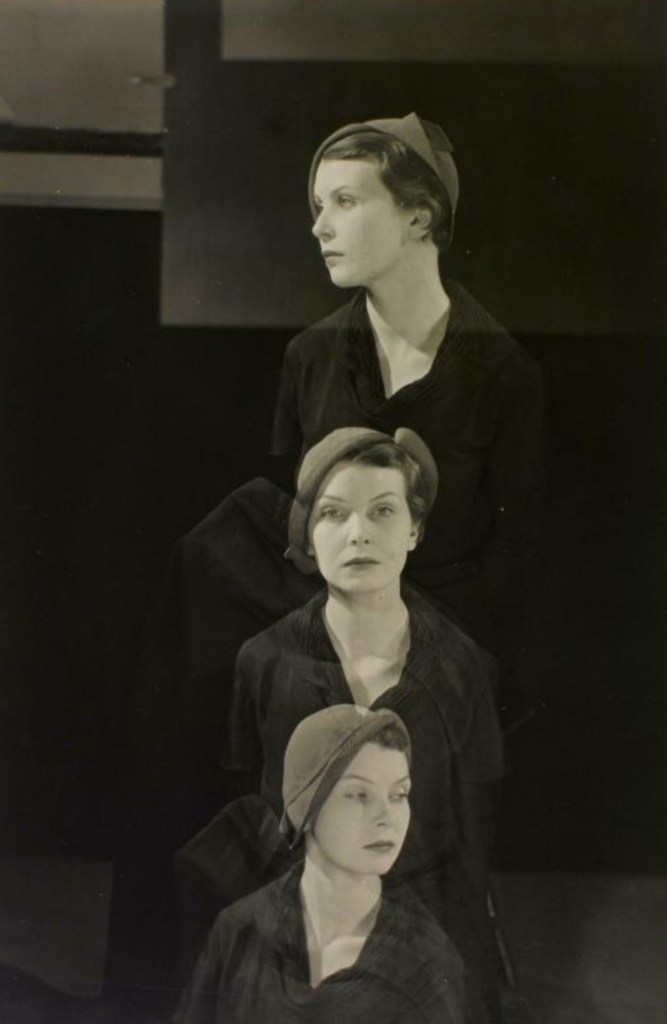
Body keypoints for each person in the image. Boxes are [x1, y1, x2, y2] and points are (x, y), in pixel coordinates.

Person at [222, 427, 503, 1022]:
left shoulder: (462, 667)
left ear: (414, 529)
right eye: (333, 513)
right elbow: (252, 812)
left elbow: (471, 833)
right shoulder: (263, 662)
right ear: (307, 534)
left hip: (424, 934)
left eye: (382, 510)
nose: (359, 533)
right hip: (301, 932)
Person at [272, 112, 544, 650]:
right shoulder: (309, 356)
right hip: (325, 645)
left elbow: (516, 549)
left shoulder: (505, 373)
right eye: (319, 205)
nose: (320, 226)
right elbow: (288, 521)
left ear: (419, 216)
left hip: (453, 648)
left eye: (345, 201)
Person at [176, 704, 464, 1024]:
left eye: (398, 794)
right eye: (359, 795)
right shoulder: (239, 932)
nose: (387, 817)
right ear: (306, 806)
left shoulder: (427, 962)